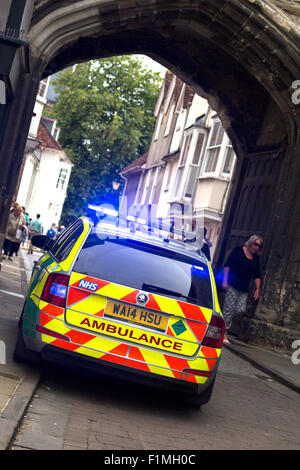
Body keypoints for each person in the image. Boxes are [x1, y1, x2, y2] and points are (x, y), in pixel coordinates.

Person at [222, 234, 263, 344]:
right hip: (232, 285)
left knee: (240, 310)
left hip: (244, 288)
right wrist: (225, 280)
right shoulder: (238, 251)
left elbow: (257, 274)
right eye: (256, 244)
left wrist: (257, 289)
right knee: (228, 309)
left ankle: (221, 323)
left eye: (260, 246)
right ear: (251, 242)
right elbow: (227, 266)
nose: (258, 247)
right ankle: (224, 333)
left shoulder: (256, 258)